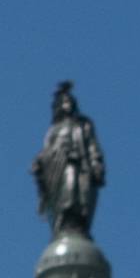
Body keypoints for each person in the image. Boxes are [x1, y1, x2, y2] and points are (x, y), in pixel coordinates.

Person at [31, 80, 106, 236]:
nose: (68, 105)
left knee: (73, 193)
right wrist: (40, 162)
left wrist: (96, 163)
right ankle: (63, 224)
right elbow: (47, 151)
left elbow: (92, 146)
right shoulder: (54, 130)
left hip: (77, 163)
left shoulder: (82, 125)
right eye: (64, 102)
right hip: (56, 167)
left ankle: (75, 223)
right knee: (62, 196)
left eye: (70, 102)